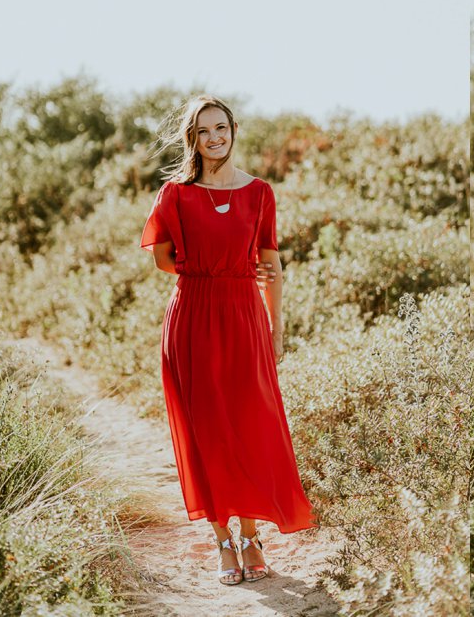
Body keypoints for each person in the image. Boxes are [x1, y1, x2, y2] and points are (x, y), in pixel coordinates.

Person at [139, 95, 316, 585]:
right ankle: (223, 542)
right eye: (202, 131)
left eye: (220, 128)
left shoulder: (259, 192)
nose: (214, 138)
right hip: (192, 317)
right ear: (191, 138)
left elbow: (272, 266)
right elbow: (162, 258)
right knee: (207, 433)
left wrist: (276, 329)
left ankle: (253, 537)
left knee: (248, 425)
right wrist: (210, 274)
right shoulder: (175, 193)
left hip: (244, 319)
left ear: (234, 129)